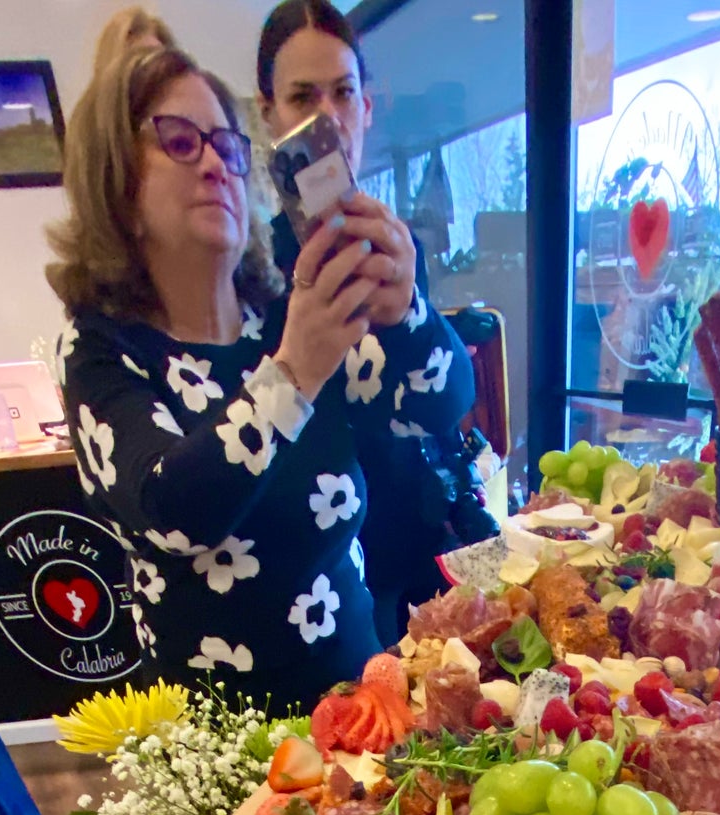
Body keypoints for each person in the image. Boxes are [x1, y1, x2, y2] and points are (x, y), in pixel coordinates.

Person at [48, 41, 474, 708]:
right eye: (180, 141)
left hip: (361, 707)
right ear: (114, 177)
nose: (215, 163)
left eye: (226, 144)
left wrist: (407, 313)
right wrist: (294, 372)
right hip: (218, 739)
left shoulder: (283, 315)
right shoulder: (101, 348)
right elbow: (175, 510)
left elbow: (437, 405)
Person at [256, 0, 495, 643]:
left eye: (342, 93)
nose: (326, 117)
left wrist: (409, 308)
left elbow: (447, 402)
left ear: (366, 109)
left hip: (420, 557)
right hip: (318, 595)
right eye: (302, 97)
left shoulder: (394, 245)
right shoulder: (254, 270)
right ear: (269, 115)